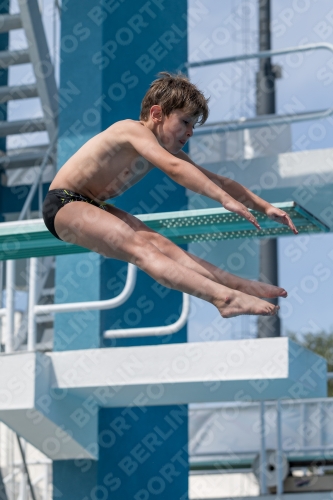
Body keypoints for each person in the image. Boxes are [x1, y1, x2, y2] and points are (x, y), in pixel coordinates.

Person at [43, 72, 298, 319]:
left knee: (163, 246)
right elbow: (176, 169)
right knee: (142, 249)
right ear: (156, 114)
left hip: (92, 204)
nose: (190, 132)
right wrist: (224, 200)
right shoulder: (131, 130)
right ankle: (224, 298)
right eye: (185, 122)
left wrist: (264, 207)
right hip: (64, 202)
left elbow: (218, 180)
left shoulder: (163, 148)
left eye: (193, 126)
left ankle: (240, 286)